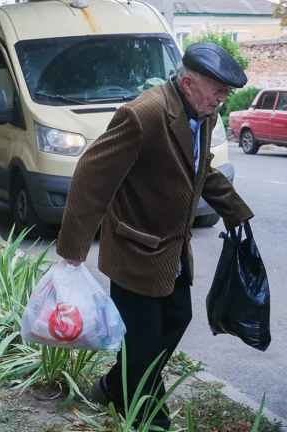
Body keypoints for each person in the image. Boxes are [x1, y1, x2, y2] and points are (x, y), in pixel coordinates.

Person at [56, 42, 254, 430]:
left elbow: (201, 170)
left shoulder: (203, 114)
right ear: (188, 82)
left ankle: (113, 385)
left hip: (171, 249)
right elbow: (90, 177)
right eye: (217, 90)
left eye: (225, 92)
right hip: (134, 246)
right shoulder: (144, 114)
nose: (223, 98)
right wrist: (73, 250)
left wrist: (236, 212)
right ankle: (149, 416)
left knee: (179, 317)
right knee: (144, 343)